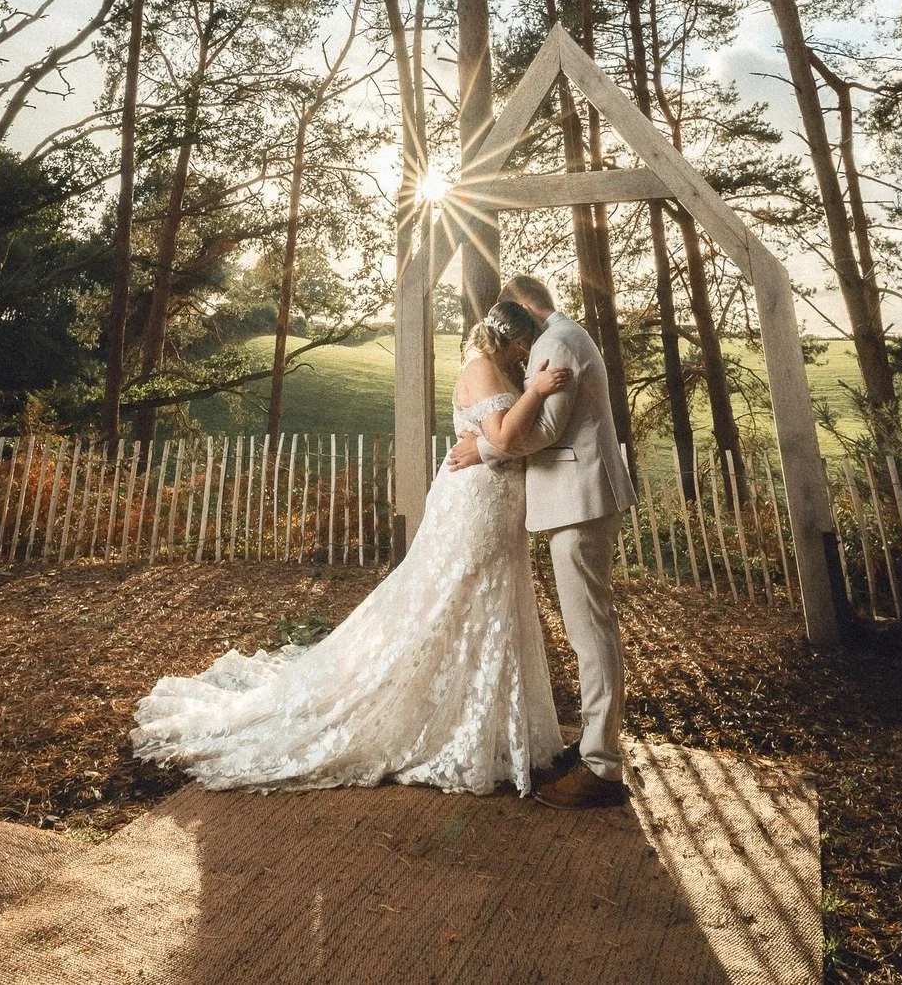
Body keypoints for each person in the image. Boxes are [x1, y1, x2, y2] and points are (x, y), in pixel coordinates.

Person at [130, 300, 569, 796]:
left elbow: (514, 440)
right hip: (477, 507)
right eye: (523, 345)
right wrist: (535, 391)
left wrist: (525, 403)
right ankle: (434, 719)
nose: (527, 355)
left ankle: (479, 721)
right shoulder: (484, 369)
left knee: (486, 607)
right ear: (509, 340)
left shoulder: (497, 368)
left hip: (496, 505)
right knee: (451, 604)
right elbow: (506, 438)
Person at [448, 275, 636, 810]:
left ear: (523, 308)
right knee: (590, 626)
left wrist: (480, 448)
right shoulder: (568, 336)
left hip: (581, 500)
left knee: (590, 628)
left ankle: (601, 766)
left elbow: (545, 432)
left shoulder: (555, 343)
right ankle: (597, 749)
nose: (524, 345)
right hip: (581, 497)